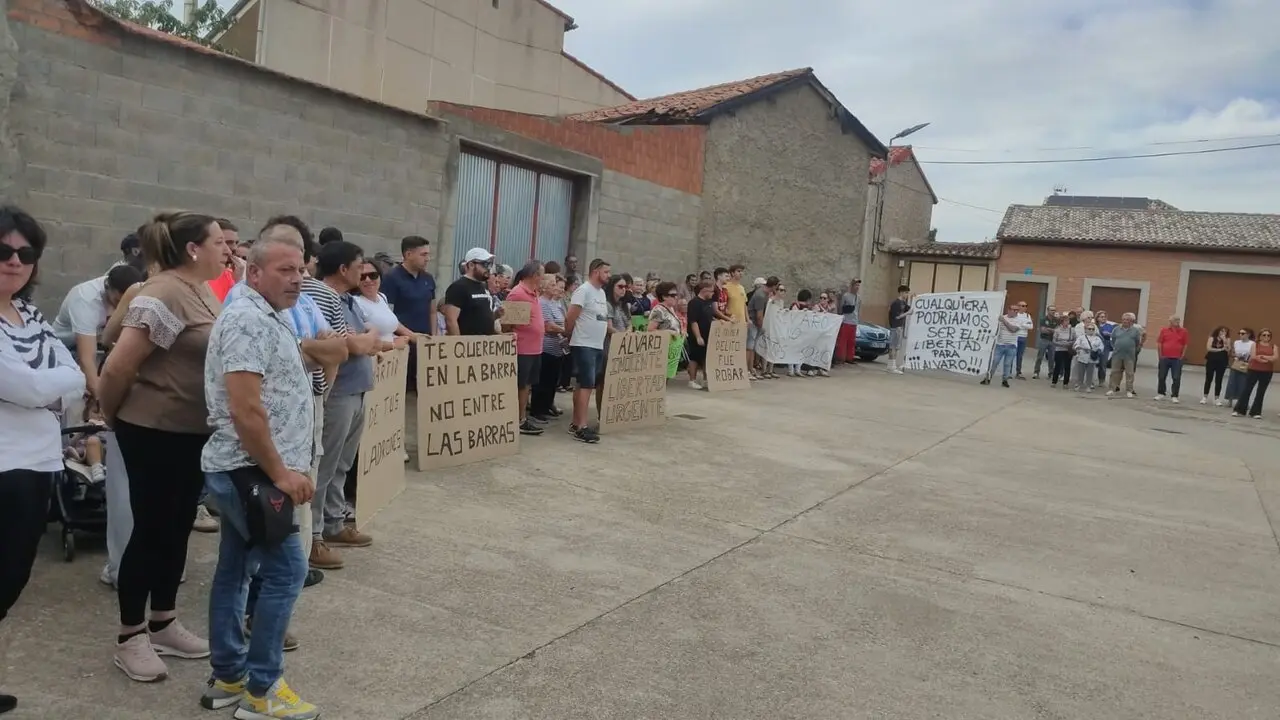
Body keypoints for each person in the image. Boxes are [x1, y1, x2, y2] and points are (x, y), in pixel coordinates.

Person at [97, 212, 228, 682]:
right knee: (151, 532)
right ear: (193, 248)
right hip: (154, 431)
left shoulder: (201, 290)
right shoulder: (164, 290)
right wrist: (114, 416)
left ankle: (164, 623)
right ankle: (130, 635)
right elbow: (117, 367)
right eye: (218, 242)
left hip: (189, 433)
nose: (226, 249)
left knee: (175, 530)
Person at [199, 232, 320, 720]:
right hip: (253, 473)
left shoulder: (265, 313)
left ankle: (229, 676)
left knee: (235, 566)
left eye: (300, 270)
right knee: (287, 570)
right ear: (256, 272)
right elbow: (246, 409)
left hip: (248, 471)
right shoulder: (248, 320)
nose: (297, 280)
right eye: (286, 271)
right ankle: (262, 692)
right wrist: (282, 474)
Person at [0, 207, 87, 716]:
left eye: (25, 253)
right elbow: (30, 385)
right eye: (3, 251)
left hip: (37, 463)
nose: (15, 261)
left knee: (12, 578)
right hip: (4, 466)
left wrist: (50, 385)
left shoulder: (28, 314)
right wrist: (50, 386)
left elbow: (71, 372)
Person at [302, 241, 380, 571]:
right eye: (360, 265)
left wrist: (362, 339)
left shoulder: (347, 299)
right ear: (343, 269)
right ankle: (314, 536)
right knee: (325, 464)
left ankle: (333, 523)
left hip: (356, 389)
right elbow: (346, 344)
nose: (365, 272)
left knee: (341, 464)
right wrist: (360, 340)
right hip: (337, 393)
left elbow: (368, 339)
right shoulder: (322, 295)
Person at [51, 265, 143, 400]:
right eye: (118, 301)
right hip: (66, 350)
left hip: (98, 343)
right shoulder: (85, 300)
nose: (120, 306)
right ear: (107, 288)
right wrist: (102, 400)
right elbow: (86, 358)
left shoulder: (133, 291)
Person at [379, 236, 436, 390]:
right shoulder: (391, 279)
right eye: (423, 255)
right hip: (401, 344)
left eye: (428, 254)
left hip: (424, 343)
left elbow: (432, 310)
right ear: (408, 254)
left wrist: (434, 336)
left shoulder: (428, 279)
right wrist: (411, 335)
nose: (428, 259)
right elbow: (387, 316)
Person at [564, 258, 611, 443]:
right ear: (595, 271)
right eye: (606, 272)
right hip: (584, 344)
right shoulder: (583, 291)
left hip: (596, 345)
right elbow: (570, 317)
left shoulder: (601, 293)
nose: (608, 275)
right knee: (586, 385)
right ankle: (581, 426)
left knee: (585, 384)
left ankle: (576, 423)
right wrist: (569, 337)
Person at [503, 261, 546, 436]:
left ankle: (521, 417)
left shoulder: (534, 293)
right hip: (522, 348)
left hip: (534, 348)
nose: (543, 278)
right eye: (542, 275)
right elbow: (508, 324)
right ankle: (516, 419)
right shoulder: (518, 293)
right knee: (519, 384)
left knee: (527, 384)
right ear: (534, 276)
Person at [530, 275, 567, 423]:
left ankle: (547, 406)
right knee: (543, 380)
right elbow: (548, 326)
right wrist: (565, 331)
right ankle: (537, 409)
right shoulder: (542, 303)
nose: (556, 287)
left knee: (552, 380)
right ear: (544, 287)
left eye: (555, 285)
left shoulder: (556, 303)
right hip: (546, 347)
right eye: (552, 285)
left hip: (557, 347)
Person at [352, 261, 413, 345]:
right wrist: (392, 344)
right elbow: (359, 339)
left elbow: (389, 323)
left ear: (380, 277)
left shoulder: (382, 297)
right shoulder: (355, 302)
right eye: (362, 277)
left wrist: (412, 336)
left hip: (392, 356)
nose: (368, 280)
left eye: (373, 275)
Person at [443, 248, 496, 336]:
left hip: (483, 344)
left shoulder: (482, 286)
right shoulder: (458, 287)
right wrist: (459, 345)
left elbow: (481, 316)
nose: (488, 269)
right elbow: (451, 320)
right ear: (471, 265)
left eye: (490, 264)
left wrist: (496, 314)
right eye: (485, 264)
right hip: (467, 344)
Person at [1233, 328, 1275, 419]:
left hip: (1267, 371)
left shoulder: (1273, 346)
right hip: (1254, 369)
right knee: (1247, 389)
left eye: (1268, 335)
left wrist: (1264, 357)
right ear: (1260, 336)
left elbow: (1275, 357)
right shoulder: (1255, 345)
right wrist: (1264, 358)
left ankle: (1256, 412)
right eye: (1264, 335)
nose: (1266, 337)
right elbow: (1253, 356)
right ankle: (1239, 410)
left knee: (1261, 391)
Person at [685, 280, 716, 389]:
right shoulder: (694, 303)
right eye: (711, 291)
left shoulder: (708, 302)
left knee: (706, 357)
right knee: (695, 357)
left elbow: (710, 316)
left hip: (708, 333)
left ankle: (706, 379)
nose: (713, 294)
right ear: (704, 290)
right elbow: (693, 321)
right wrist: (698, 336)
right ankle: (692, 380)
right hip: (697, 335)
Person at [981, 305, 1021, 387]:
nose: (1016, 311)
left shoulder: (1019, 320)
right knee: (994, 362)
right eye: (1014, 310)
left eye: (1017, 310)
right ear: (1009, 310)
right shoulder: (1001, 318)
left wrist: (1004, 321)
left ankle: (1005, 380)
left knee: (1007, 364)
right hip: (1000, 345)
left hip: (1012, 346)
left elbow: (1013, 330)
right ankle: (988, 378)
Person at [1106, 313, 1143, 398]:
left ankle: (1129, 390)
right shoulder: (1116, 329)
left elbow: (1137, 342)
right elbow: (1113, 339)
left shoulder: (1135, 331)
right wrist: (1115, 347)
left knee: (1130, 373)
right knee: (1114, 372)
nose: (1125, 321)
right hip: (1117, 354)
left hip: (1129, 355)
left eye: (1127, 320)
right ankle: (1112, 389)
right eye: (1124, 319)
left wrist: (1133, 349)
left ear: (1131, 321)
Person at [746, 277, 776, 379]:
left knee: (753, 347)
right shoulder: (760, 295)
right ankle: (746, 370)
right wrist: (762, 327)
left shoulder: (765, 294)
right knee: (749, 347)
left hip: (756, 322)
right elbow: (759, 315)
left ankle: (751, 369)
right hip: (753, 322)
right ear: (774, 286)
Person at [1154, 315, 1189, 403]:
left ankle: (1174, 395)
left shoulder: (1183, 331)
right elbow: (1159, 343)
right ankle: (1161, 393)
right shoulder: (1164, 330)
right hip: (1165, 357)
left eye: (1178, 320)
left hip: (1177, 358)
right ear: (1170, 322)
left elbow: (1185, 344)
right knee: (1162, 376)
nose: (1177, 321)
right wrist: (1160, 355)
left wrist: (1182, 356)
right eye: (1175, 320)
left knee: (1176, 377)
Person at [1225, 328, 1255, 405]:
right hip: (1236, 363)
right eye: (1240, 333)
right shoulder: (1236, 342)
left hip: (1246, 363)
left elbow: (1252, 354)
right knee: (1232, 382)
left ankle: (1242, 402)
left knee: (1243, 383)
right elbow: (1232, 352)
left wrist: (1247, 359)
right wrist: (1236, 355)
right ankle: (1230, 400)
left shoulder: (1252, 343)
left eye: (1243, 333)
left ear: (1248, 334)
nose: (1240, 335)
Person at [886, 285, 911, 374]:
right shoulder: (896, 303)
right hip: (895, 327)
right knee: (893, 347)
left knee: (896, 347)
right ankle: (891, 367)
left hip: (899, 327)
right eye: (906, 293)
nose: (907, 295)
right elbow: (897, 317)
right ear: (901, 292)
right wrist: (907, 313)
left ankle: (891, 366)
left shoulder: (903, 303)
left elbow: (910, 309)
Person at [1202, 326, 1230, 405]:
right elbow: (1209, 348)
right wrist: (1220, 350)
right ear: (1218, 331)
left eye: (1225, 331)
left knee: (1219, 379)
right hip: (1211, 360)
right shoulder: (1212, 338)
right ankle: (1205, 397)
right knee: (1209, 378)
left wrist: (1224, 340)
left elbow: (1228, 349)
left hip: (1222, 361)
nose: (1223, 333)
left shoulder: (1227, 339)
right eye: (1222, 331)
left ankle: (1217, 398)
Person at [1071, 323, 1103, 393]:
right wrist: (1081, 348)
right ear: (1085, 330)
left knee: (1090, 373)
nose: (1091, 330)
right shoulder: (1081, 337)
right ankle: (1079, 385)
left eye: (1092, 329)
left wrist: (1098, 351)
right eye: (1089, 329)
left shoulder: (1097, 338)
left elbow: (1101, 347)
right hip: (1082, 356)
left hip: (1092, 358)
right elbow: (1076, 345)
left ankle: (1088, 386)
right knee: (1080, 373)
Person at [837, 278, 861, 364]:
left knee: (852, 341)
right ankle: (841, 358)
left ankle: (850, 357)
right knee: (843, 340)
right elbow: (841, 307)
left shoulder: (859, 297)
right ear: (852, 286)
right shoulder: (846, 296)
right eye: (856, 285)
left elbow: (858, 310)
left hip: (854, 322)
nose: (857, 287)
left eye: (858, 285)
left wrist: (858, 320)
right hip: (846, 321)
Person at [1049, 314, 1074, 388]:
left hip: (1068, 350)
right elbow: (1054, 341)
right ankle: (1054, 382)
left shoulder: (1072, 330)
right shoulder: (1057, 330)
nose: (1067, 322)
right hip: (1059, 349)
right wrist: (1062, 344)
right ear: (1062, 322)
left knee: (1067, 366)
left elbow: (1075, 339)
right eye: (1065, 321)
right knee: (1058, 366)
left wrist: (1069, 343)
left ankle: (1065, 383)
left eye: (1068, 321)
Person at [1032, 305, 1057, 379]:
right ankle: (1036, 372)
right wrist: (1052, 330)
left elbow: (1057, 331)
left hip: (1053, 341)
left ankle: (1051, 372)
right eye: (1051, 310)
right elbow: (1043, 330)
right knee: (1040, 356)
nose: (1053, 312)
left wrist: (1049, 329)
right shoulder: (1043, 319)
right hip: (1044, 340)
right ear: (1048, 311)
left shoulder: (1056, 320)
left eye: (1054, 310)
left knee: (1052, 358)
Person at [1013, 301, 1033, 379]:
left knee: (1020, 355)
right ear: (1018, 306)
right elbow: (1014, 325)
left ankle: (1018, 371)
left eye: (1025, 306)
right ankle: (1009, 371)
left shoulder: (1028, 316)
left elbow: (1031, 327)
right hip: (1015, 336)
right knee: (1012, 354)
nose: (1024, 307)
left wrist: (1022, 324)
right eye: (1023, 306)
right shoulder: (1015, 315)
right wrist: (1025, 325)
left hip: (1023, 337)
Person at [1095, 310, 1116, 385]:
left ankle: (1101, 380)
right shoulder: (1094, 325)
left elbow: (1114, 335)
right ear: (1097, 318)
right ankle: (1090, 380)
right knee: (1092, 362)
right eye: (1101, 317)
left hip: (1105, 345)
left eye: (1105, 317)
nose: (1104, 318)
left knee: (1103, 363)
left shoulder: (1110, 326)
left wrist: (1109, 334)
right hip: (1095, 345)